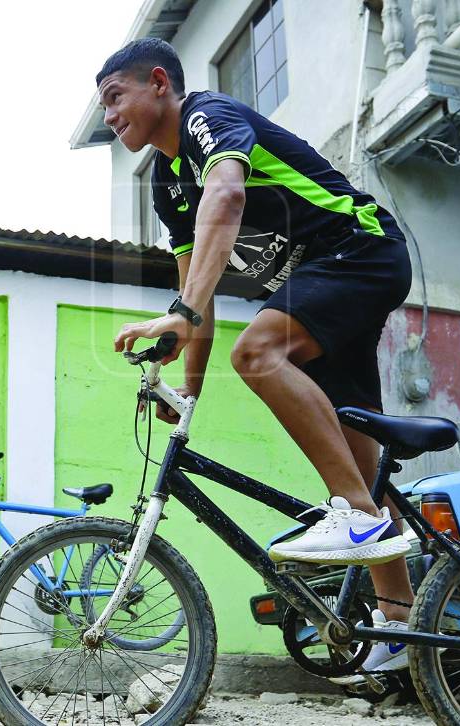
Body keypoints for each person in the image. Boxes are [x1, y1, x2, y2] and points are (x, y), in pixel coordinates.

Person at [98, 37, 415, 682]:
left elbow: (228, 199)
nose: (108, 116)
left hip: (361, 249)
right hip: (322, 286)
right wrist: (187, 391)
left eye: (114, 97)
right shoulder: (167, 186)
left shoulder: (206, 117)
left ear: (159, 82)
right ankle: (404, 620)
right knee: (360, 455)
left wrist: (182, 314)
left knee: (258, 351)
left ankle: (353, 517)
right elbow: (198, 296)